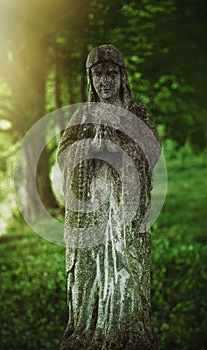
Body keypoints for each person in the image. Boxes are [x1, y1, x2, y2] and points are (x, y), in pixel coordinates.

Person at [57, 45, 160, 350]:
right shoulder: (82, 115)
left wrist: (118, 148)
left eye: (111, 74)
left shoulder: (137, 113)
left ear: (122, 76)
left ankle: (123, 332)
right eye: (99, 75)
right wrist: (89, 148)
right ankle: (87, 330)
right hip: (90, 213)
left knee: (124, 273)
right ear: (90, 79)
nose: (105, 81)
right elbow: (64, 156)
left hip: (123, 216)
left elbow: (151, 151)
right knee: (89, 276)